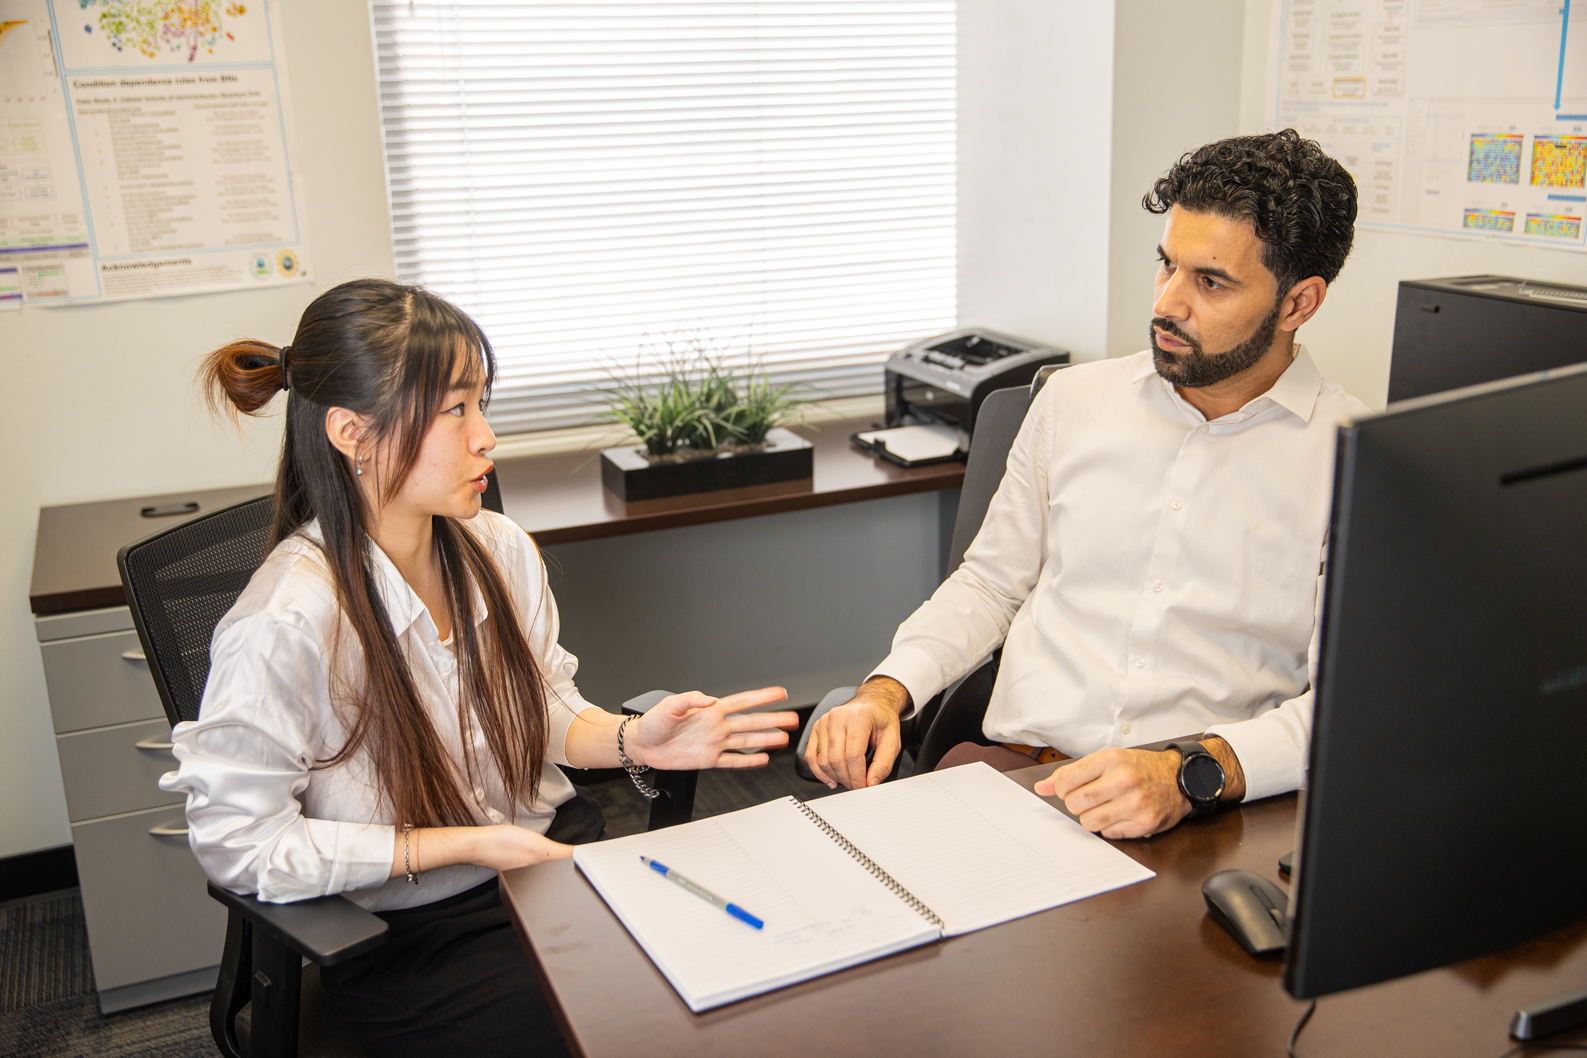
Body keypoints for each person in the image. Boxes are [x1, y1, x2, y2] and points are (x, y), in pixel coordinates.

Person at [160, 278, 799, 1058]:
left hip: (554, 866)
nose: (486, 436)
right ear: (351, 432)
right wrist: (461, 844)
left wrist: (634, 739)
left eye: (480, 404)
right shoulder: (285, 622)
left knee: (739, 992)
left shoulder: (497, 548)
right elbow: (239, 846)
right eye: (452, 410)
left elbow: (542, 710)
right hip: (412, 935)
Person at [805, 130, 1368, 839]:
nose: (1167, 303)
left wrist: (1194, 770)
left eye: (1210, 281)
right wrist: (885, 693)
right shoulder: (1073, 402)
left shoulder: (1358, 460)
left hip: (1202, 809)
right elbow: (989, 583)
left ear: (1298, 303)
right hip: (1018, 777)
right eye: (1165, 265)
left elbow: (1351, 704)